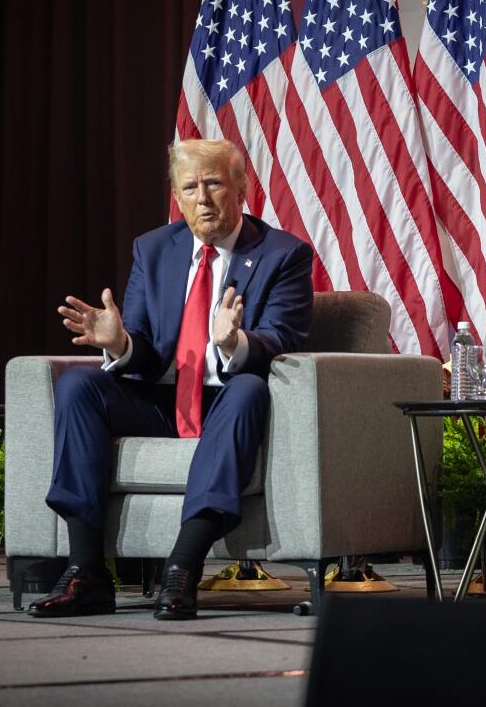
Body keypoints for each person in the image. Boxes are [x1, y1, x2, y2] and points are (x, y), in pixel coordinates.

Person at [28, 138, 314, 620]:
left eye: (214, 184)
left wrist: (232, 344)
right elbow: (145, 346)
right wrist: (118, 344)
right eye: (190, 188)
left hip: (231, 402)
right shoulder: (154, 249)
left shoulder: (283, 255)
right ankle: (84, 572)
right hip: (162, 402)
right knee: (78, 386)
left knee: (247, 389)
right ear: (177, 198)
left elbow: (283, 338)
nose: (202, 198)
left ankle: (183, 566)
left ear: (241, 188)